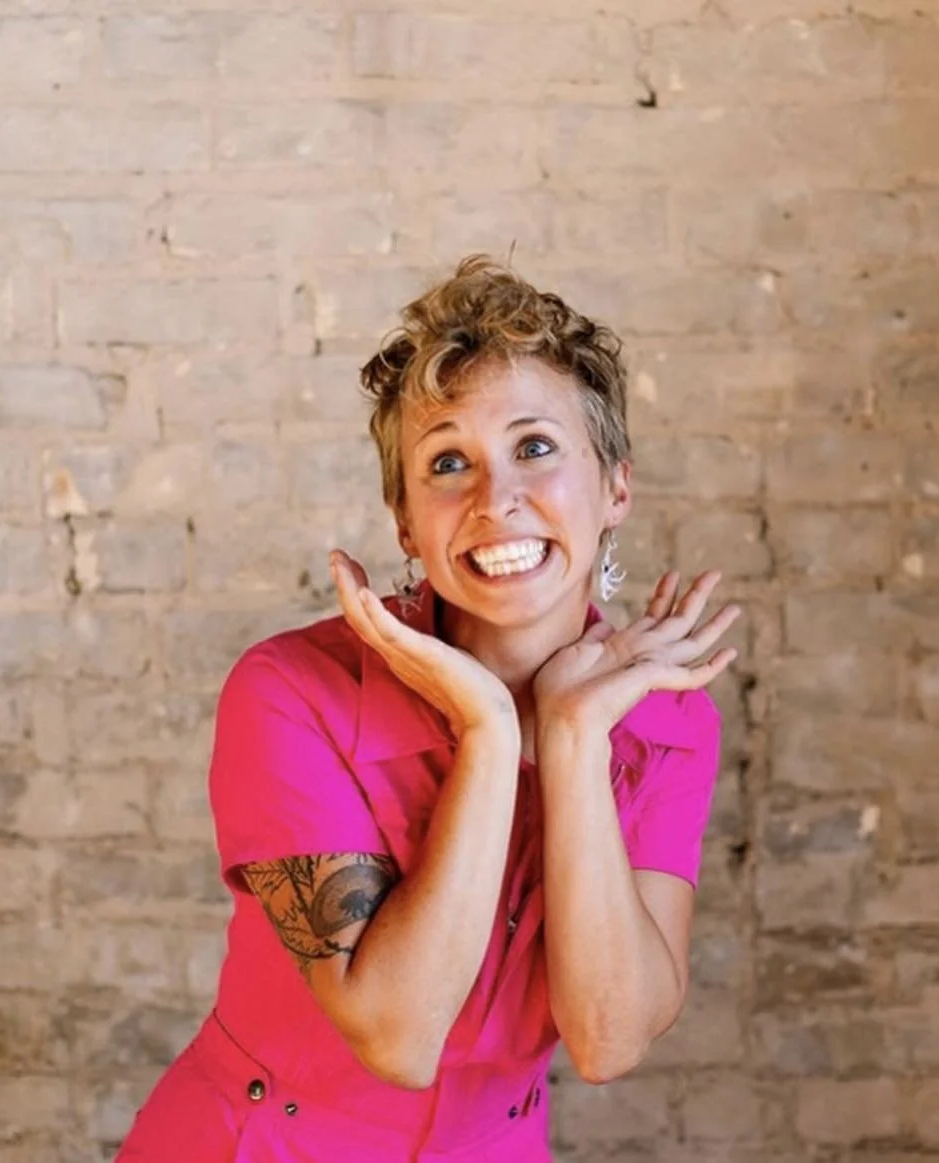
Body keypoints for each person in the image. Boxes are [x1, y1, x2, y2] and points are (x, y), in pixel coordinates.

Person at [115, 255, 740, 1162]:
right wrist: (490, 732)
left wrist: (569, 737)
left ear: (614, 486)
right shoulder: (290, 693)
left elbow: (608, 1038)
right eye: (448, 462)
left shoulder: (669, 720)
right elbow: (397, 1036)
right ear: (406, 522)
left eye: (534, 447)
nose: (496, 501)